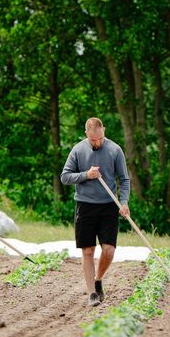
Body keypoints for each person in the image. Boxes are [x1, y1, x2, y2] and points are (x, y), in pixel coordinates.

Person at [61, 117, 130, 307]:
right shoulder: (77, 150)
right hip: (85, 205)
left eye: (100, 138)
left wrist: (123, 202)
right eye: (93, 140)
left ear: (104, 131)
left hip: (109, 205)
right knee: (88, 250)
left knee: (108, 250)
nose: (97, 143)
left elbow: (124, 180)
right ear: (86, 135)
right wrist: (86, 175)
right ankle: (92, 293)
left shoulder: (115, 150)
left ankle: (98, 279)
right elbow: (65, 177)